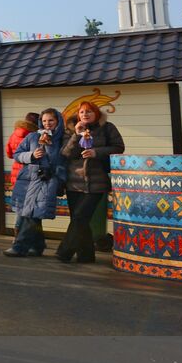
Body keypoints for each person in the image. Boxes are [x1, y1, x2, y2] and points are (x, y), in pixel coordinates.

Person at [58, 102, 125, 264]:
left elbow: (118, 147)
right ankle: (86, 256)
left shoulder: (107, 128)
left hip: (97, 181)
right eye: (82, 112)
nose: (85, 114)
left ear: (96, 113)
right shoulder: (71, 128)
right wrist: (76, 135)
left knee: (81, 217)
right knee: (79, 220)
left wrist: (97, 152)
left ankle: (64, 251)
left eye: (89, 112)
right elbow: (66, 153)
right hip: (74, 182)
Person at [5, 109, 66, 257]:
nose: (47, 124)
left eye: (51, 120)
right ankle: (38, 246)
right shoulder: (33, 136)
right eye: (44, 121)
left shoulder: (63, 139)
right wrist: (31, 155)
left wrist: (60, 179)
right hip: (29, 179)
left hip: (48, 180)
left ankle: (19, 247)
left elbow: (65, 161)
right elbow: (17, 154)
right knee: (33, 213)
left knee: (33, 213)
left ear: (57, 121)